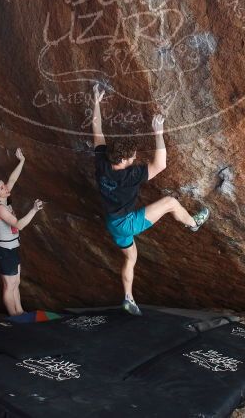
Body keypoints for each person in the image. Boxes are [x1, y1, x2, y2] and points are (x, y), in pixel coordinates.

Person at [90, 84, 209, 316]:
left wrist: (95, 102)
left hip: (113, 224)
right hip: (126, 223)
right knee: (171, 203)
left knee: (131, 257)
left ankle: (128, 297)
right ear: (123, 160)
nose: (135, 161)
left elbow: (96, 128)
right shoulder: (129, 175)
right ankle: (194, 224)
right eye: (132, 158)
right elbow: (160, 165)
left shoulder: (102, 162)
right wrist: (158, 132)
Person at [0, 148, 44, 316]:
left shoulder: (5, 198)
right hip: (4, 251)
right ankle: (14, 316)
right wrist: (33, 210)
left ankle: (20, 311)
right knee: (9, 285)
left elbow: (12, 178)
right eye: (2, 188)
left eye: (4, 186)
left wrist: (22, 161)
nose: (5, 187)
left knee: (16, 282)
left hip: (12, 248)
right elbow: (18, 225)